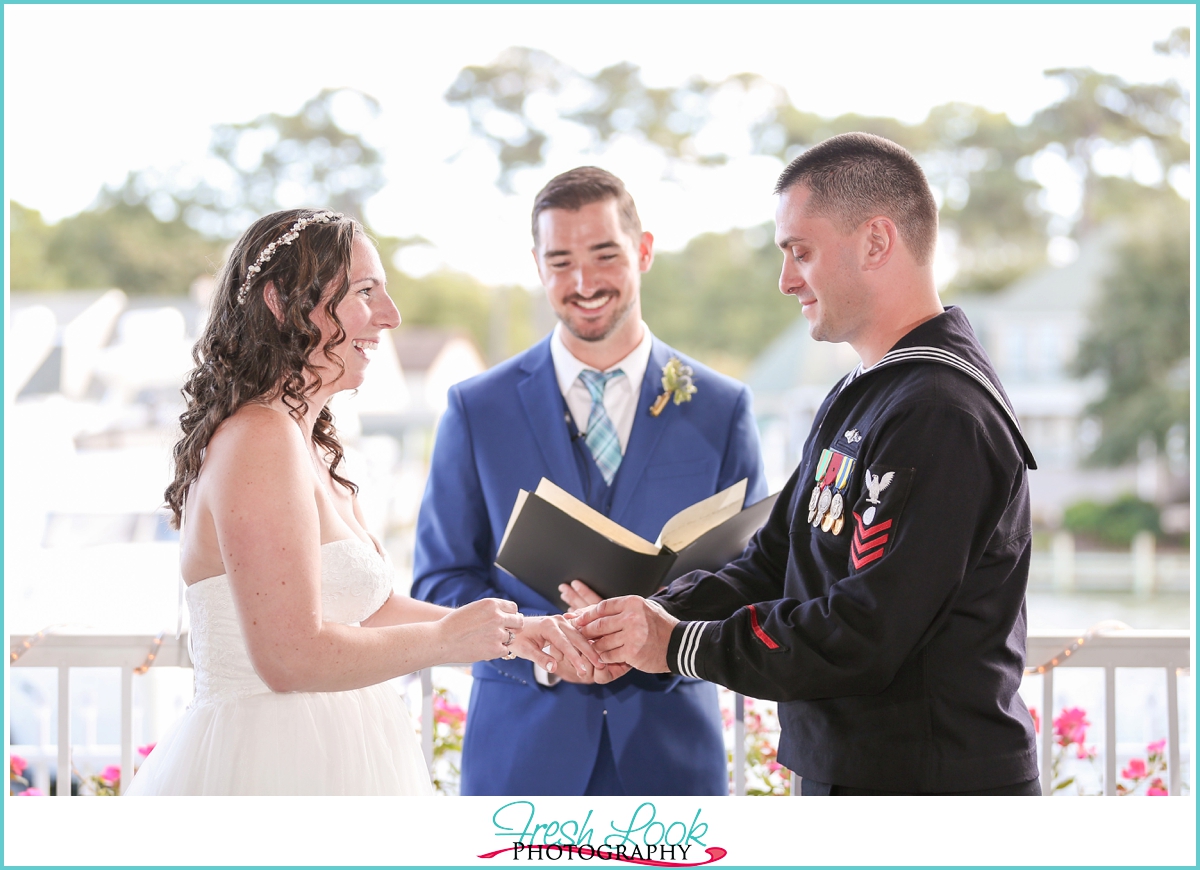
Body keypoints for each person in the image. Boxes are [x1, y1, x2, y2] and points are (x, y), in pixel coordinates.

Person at [575, 133, 1042, 796]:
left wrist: (678, 645)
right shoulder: (865, 393)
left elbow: (863, 630)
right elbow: (772, 562)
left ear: (876, 242)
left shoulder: (941, 411)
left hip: (933, 794)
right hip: (852, 778)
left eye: (801, 251)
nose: (786, 279)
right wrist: (642, 618)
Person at [128, 208, 594, 796]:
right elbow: (288, 657)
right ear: (279, 302)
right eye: (365, 292)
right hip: (273, 768)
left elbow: (366, 612)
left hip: (343, 752)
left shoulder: (306, 441)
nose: (391, 317)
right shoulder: (258, 438)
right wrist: (447, 641)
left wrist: (518, 632)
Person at [412, 167, 767, 796]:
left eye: (604, 254)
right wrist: (535, 646)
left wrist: (666, 634)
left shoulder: (722, 407)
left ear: (644, 250)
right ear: (537, 265)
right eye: (560, 260)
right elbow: (439, 582)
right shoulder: (476, 410)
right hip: (520, 765)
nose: (583, 283)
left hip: (671, 765)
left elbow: (756, 581)